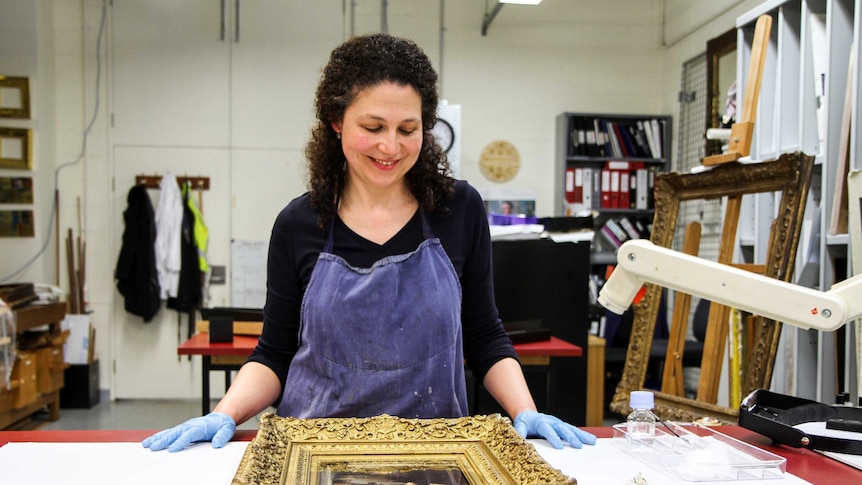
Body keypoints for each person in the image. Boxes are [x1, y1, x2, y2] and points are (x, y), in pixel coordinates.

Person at [143, 33, 596, 453]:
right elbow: (275, 354)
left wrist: (526, 410)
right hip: (314, 453)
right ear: (337, 122)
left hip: (433, 453)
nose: (390, 147)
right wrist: (223, 414)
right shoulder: (298, 224)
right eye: (373, 126)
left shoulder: (459, 211)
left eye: (407, 128)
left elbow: (483, 335)